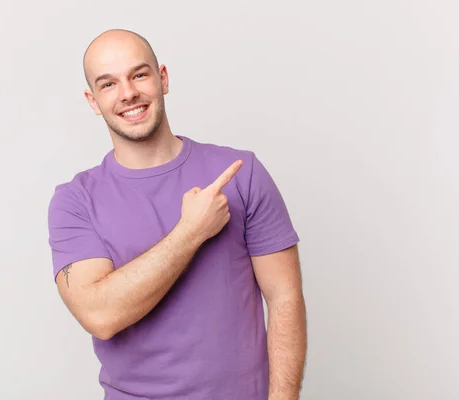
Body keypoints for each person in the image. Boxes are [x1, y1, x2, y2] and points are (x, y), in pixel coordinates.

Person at [47, 28, 307, 400]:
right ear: (93, 101)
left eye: (139, 74)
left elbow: (285, 297)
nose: (128, 93)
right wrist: (191, 232)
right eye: (108, 84)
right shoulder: (75, 201)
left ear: (162, 78)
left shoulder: (240, 172)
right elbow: (100, 316)